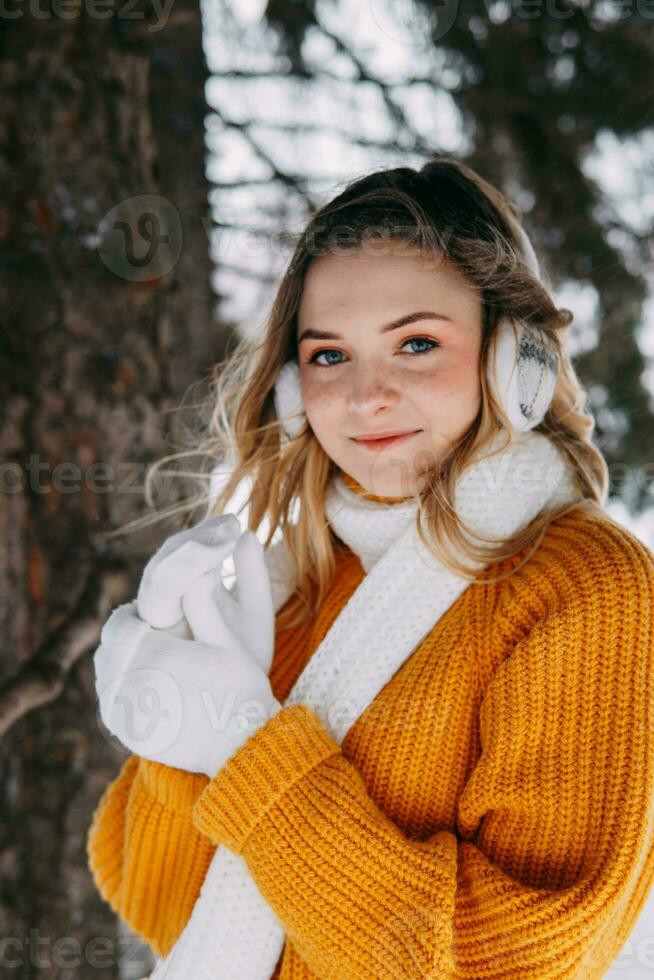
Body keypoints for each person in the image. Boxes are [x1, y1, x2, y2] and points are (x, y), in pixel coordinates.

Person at [86, 157, 654, 979]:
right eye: (327, 357)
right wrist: (177, 715)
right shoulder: (294, 588)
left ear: (512, 359)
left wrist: (251, 752)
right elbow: (157, 901)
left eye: (417, 344)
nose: (365, 397)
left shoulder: (584, 586)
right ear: (289, 386)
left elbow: (519, 961)